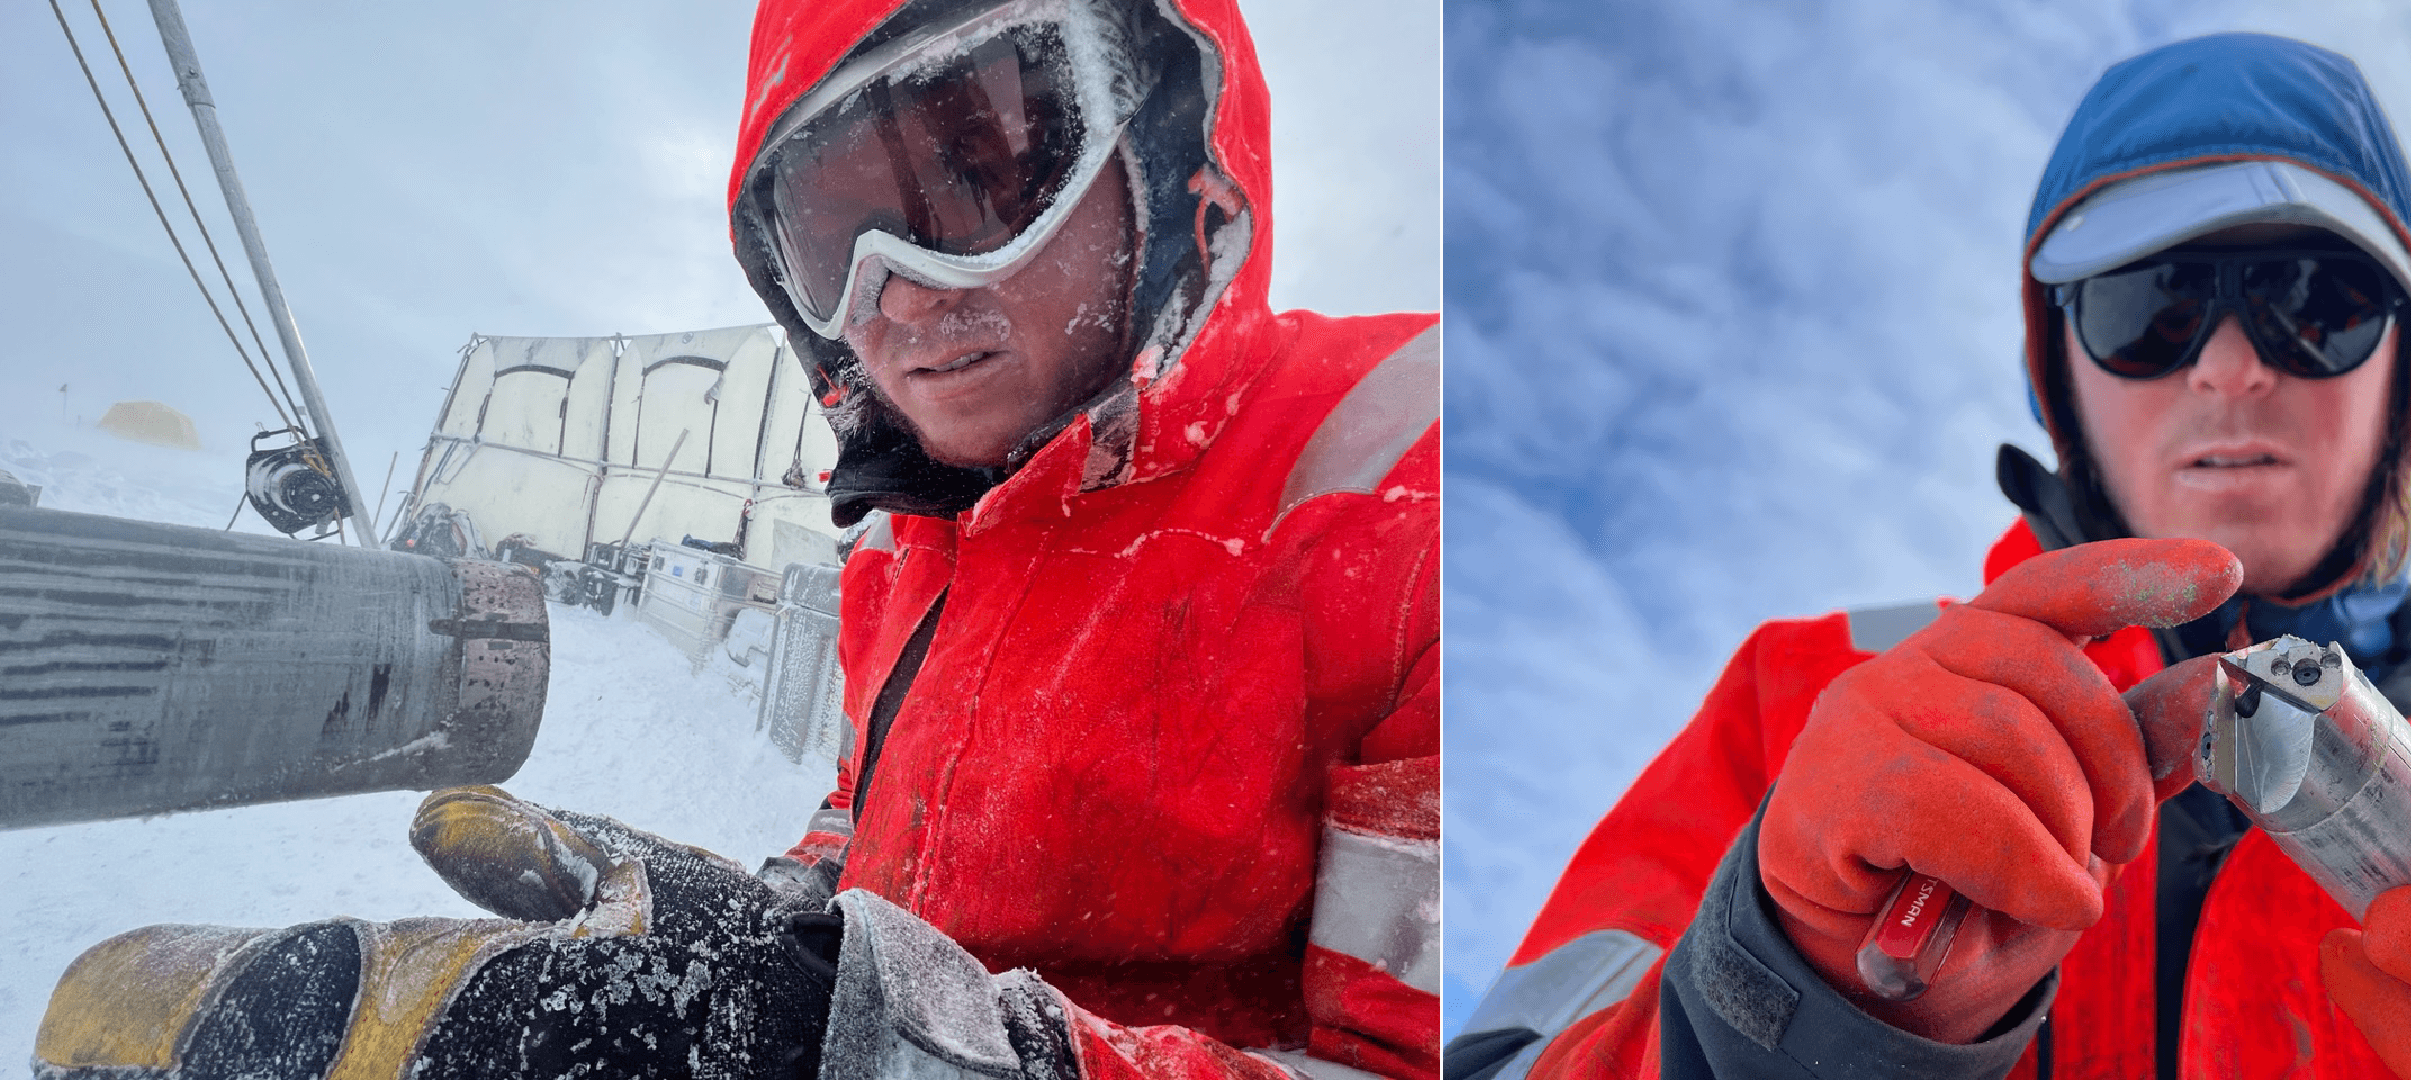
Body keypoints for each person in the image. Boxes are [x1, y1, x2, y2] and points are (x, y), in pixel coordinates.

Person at [32, 2, 1436, 1078]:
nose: (893, 296)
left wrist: (857, 1039)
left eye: (973, 178)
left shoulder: (1408, 486)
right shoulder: (911, 547)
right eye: (831, 239)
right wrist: (775, 921)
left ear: (1165, 131)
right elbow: (873, 807)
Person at [1445, 33, 2411, 1080]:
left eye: (2313, 303)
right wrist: (1772, 996)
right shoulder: (1809, 698)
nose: (2233, 367)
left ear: (2408, 387)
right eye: (2151, 304)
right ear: (2057, 375)